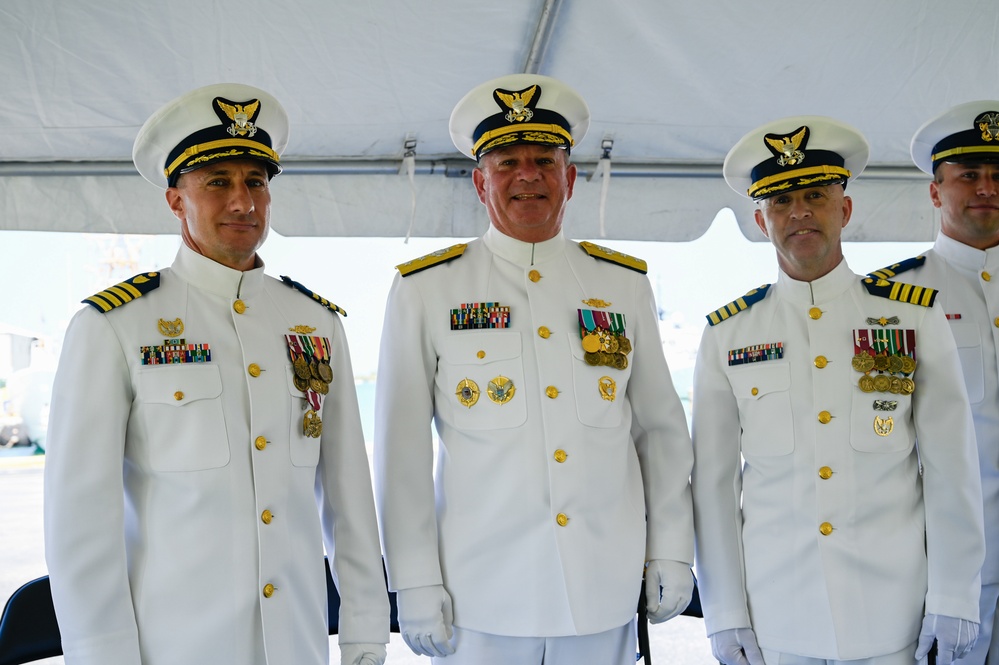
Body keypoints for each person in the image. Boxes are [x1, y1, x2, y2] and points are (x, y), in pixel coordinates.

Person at [43, 83, 389, 665]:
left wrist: (364, 626)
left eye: (255, 181)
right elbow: (80, 520)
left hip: (297, 642)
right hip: (176, 646)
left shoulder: (314, 323)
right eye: (218, 182)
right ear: (176, 200)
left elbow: (348, 495)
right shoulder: (117, 326)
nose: (242, 202)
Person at [373, 73, 695, 665]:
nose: (528, 175)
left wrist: (672, 548)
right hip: (480, 596)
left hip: (602, 588)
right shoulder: (426, 289)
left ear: (569, 179)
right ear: (479, 182)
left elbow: (661, 432)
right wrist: (414, 581)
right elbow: (401, 453)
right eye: (507, 162)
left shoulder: (621, 286)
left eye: (545, 161)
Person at [691, 115, 986, 665]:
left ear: (844, 210)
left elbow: (951, 469)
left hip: (892, 611)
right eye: (781, 202)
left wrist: (953, 596)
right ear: (760, 220)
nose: (799, 212)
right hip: (776, 613)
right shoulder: (727, 335)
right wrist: (724, 613)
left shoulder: (912, 319)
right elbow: (713, 488)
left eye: (815, 196)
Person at [865, 100, 999, 665]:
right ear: (934, 190)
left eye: (997, 175)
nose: (986, 188)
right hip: (942, 573)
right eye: (969, 175)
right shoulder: (887, 302)